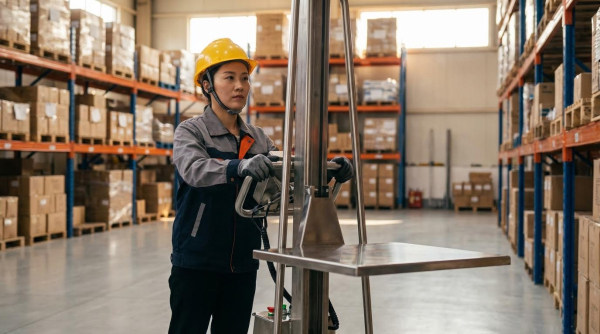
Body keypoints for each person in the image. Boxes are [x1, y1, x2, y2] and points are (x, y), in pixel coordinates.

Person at [168, 38, 353, 334]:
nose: (240, 85)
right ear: (207, 84)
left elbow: (288, 174)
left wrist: (329, 170)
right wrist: (237, 166)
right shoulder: (191, 131)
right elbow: (194, 169)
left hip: (243, 261)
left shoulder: (258, 138)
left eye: (244, 78)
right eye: (229, 78)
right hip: (197, 260)